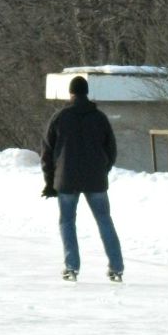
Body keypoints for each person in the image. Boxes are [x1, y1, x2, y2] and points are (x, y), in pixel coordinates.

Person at [41, 75, 124, 283]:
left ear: (71, 93)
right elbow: (111, 150)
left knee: (67, 221)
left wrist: (50, 181)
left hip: (66, 179)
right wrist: (102, 170)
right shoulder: (100, 118)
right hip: (95, 179)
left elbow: (47, 152)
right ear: (86, 93)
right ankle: (116, 267)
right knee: (104, 220)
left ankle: (72, 267)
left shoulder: (59, 117)